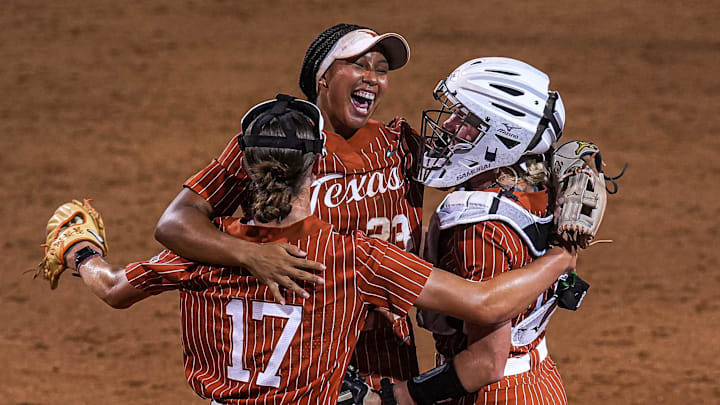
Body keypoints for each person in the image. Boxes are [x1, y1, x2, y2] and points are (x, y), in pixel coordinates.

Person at [56, 95, 577, 404]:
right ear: (318, 163)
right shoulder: (353, 257)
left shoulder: (202, 252)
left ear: (243, 162)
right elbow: (485, 304)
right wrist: (564, 253)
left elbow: (114, 288)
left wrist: (81, 252)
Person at [153, 23, 427, 388]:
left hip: (385, 349)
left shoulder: (402, 144)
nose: (373, 78)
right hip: (303, 349)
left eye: (381, 70)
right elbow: (174, 222)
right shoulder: (278, 143)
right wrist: (249, 254)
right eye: (360, 65)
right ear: (323, 77)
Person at [416, 57, 571, 404]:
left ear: (502, 137)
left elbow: (486, 361)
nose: (450, 124)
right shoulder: (546, 187)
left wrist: (402, 396)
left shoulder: (479, 224)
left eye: (466, 119)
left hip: (489, 391)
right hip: (537, 378)